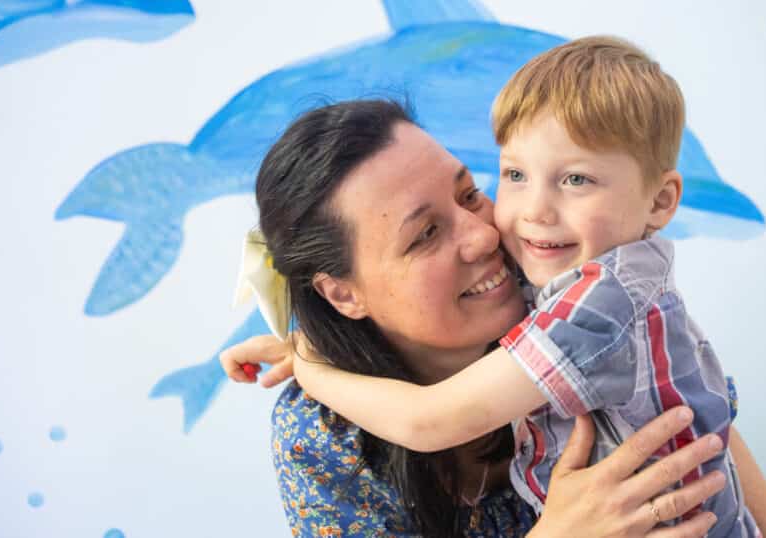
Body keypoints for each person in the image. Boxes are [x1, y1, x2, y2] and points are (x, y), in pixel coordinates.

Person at [222, 98, 735, 537]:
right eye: (424, 235)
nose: (484, 236)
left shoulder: (560, 294)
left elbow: (709, 436)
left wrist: (309, 360)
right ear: (341, 294)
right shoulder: (326, 438)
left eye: (469, 194)